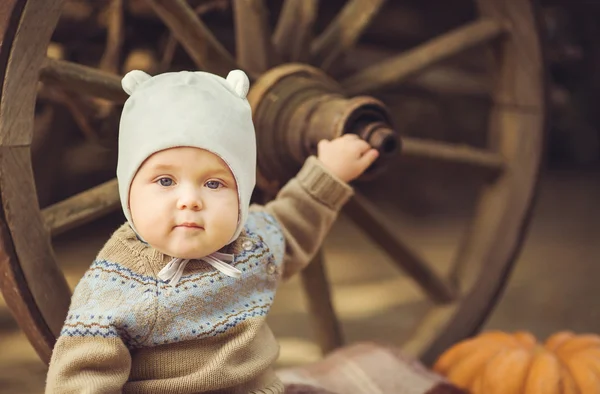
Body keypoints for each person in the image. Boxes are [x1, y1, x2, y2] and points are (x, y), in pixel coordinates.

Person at [45, 68, 379, 393]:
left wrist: (329, 172)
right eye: (165, 181)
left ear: (242, 195)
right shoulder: (117, 282)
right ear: (128, 191)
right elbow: (81, 377)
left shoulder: (251, 244)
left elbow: (292, 222)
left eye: (213, 183)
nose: (190, 200)